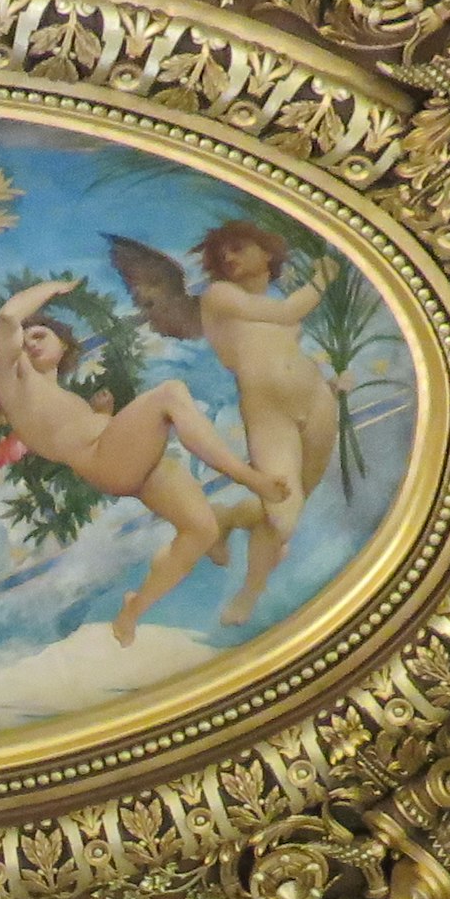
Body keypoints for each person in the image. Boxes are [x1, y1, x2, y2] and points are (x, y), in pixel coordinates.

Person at [0, 282, 284, 646]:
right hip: (107, 463)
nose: (30, 343)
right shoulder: (15, 380)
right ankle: (247, 475)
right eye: (26, 338)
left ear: (63, 344)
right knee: (170, 393)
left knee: (200, 531)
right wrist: (56, 288)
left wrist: (103, 416)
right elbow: (7, 317)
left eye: (40, 334)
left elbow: (69, 433)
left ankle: (134, 608)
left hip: (124, 459)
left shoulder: (59, 395)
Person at [109, 222, 359, 621]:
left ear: (267, 252)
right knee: (281, 514)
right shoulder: (219, 296)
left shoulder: (266, 297)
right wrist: (326, 274)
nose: (228, 258)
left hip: (317, 400)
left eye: (239, 248)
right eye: (221, 254)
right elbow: (287, 313)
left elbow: (283, 348)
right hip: (268, 412)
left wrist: (330, 382)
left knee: (287, 515)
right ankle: (246, 584)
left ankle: (232, 533)